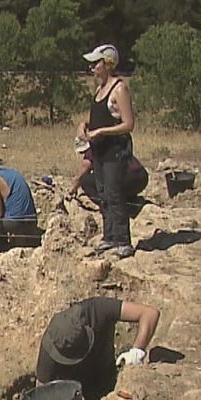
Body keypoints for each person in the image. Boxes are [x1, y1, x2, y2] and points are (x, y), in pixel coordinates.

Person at [36, 297, 160, 400]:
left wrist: (136, 352)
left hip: (107, 378)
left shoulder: (98, 309)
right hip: (75, 393)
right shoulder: (50, 347)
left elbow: (149, 314)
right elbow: (42, 394)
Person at [78, 44, 137, 259]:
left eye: (96, 63)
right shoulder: (99, 90)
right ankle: (109, 235)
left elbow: (128, 124)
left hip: (115, 150)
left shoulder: (119, 89)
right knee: (103, 194)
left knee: (114, 194)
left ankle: (123, 240)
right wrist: (83, 126)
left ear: (108, 64)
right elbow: (95, 118)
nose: (92, 68)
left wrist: (102, 131)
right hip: (99, 150)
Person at [70, 138, 149, 215]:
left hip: (128, 178)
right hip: (141, 177)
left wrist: (72, 190)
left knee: (86, 180)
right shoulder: (107, 145)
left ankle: (108, 208)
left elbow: (81, 176)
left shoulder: (92, 150)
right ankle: (129, 202)